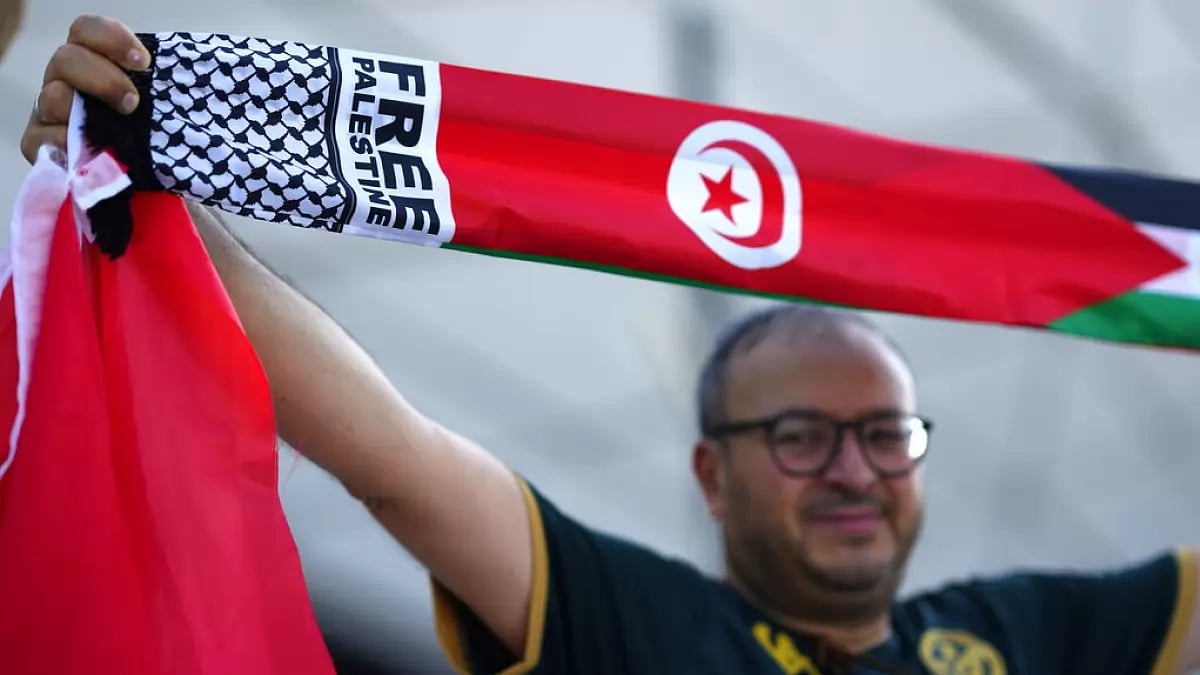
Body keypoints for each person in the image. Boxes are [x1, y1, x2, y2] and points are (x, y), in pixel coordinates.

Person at [22, 15, 1200, 675]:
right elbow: (389, 452)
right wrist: (145, 159)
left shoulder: (1029, 638)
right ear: (712, 474)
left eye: (886, 433)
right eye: (800, 435)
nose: (854, 469)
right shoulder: (639, 625)